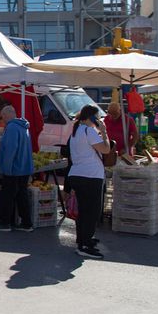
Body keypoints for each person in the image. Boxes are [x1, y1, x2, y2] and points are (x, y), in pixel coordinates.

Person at [67, 104, 110, 259]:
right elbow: (106, 149)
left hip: (77, 174)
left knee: (84, 210)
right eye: (97, 118)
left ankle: (83, 239)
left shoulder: (75, 131)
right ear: (92, 117)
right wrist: (104, 132)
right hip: (91, 175)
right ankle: (84, 244)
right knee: (92, 211)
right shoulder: (89, 130)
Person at [0, 105, 34, 233]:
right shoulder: (24, 127)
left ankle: (5, 223)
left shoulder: (12, 127)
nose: (2, 119)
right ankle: (27, 223)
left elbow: (11, 150)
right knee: (21, 195)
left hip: (13, 169)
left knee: (7, 196)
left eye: (3, 116)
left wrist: (6, 169)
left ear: (6, 115)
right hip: (24, 168)